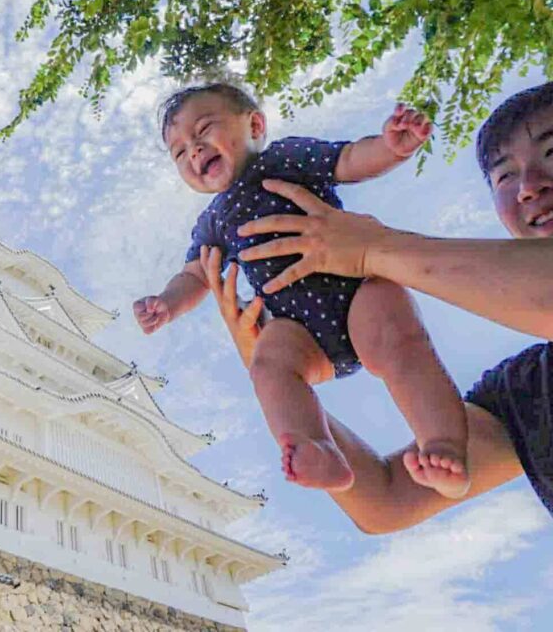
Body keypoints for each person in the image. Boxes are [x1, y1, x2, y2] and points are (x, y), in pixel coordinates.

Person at [206, 81, 553, 531]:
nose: (526, 188)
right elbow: (383, 500)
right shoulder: (524, 392)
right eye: (505, 176)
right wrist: (273, 373)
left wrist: (373, 248)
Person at [133, 82, 470, 497]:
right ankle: (317, 446)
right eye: (180, 152)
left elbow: (346, 160)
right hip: (299, 332)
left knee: (401, 339)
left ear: (254, 124)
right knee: (267, 364)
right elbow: (197, 274)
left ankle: (443, 443)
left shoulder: (284, 159)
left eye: (203, 131)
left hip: (355, 293)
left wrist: (391, 149)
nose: (195, 151)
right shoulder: (212, 221)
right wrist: (167, 303)